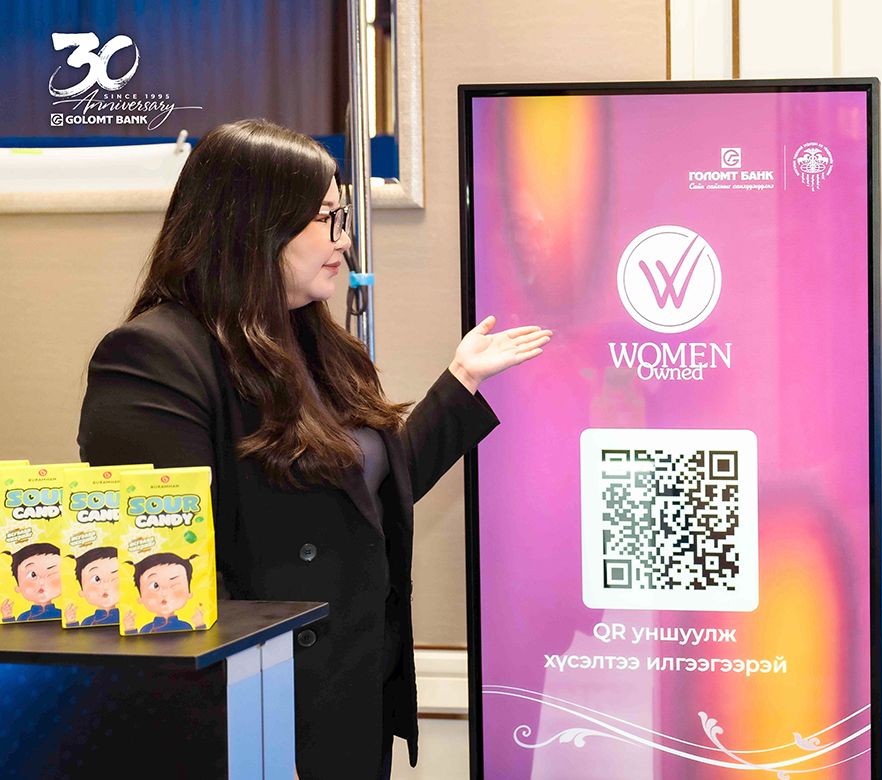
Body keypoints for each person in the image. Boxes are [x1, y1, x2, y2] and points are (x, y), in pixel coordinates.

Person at [76, 119, 551, 778]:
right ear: (255, 225)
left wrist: (460, 381)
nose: (344, 239)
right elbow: (169, 571)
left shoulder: (319, 346)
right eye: (327, 218)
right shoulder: (154, 356)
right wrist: (253, 723)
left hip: (350, 692)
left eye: (343, 217)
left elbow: (365, 502)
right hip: (253, 711)